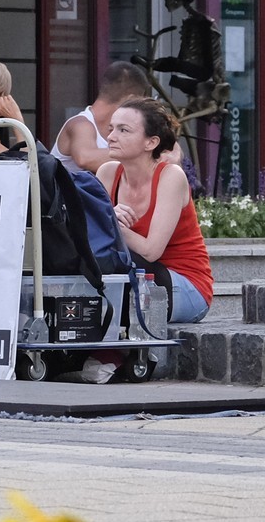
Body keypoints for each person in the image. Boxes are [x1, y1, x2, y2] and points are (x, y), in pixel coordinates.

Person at [99, 97, 215, 326]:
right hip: (140, 277)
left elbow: (151, 251)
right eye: (111, 129)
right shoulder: (107, 173)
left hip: (186, 286)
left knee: (117, 261)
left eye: (123, 130)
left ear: (151, 142)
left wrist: (109, 221)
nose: (111, 137)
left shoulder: (170, 176)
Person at [55, 61, 153, 174]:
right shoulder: (80, 124)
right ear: (130, 99)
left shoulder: (122, 129)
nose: (140, 110)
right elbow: (85, 158)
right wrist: (142, 154)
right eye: (139, 103)